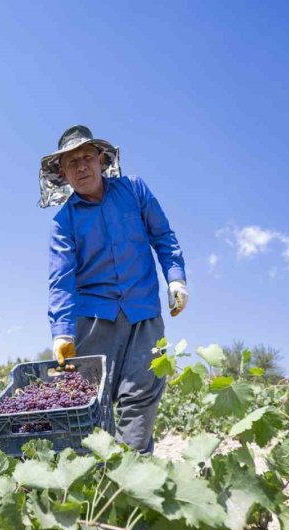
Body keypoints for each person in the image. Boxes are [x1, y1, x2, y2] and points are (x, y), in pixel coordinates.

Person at [40, 125, 188, 454]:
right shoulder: (63, 222)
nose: (81, 167)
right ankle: (94, 473)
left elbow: (163, 236)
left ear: (102, 160)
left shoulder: (134, 190)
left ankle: (130, 472)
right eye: (71, 162)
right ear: (62, 173)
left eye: (87, 157)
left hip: (143, 314)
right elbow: (61, 279)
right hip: (94, 321)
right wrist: (62, 332)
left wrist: (175, 278)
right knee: (90, 403)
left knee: (141, 397)